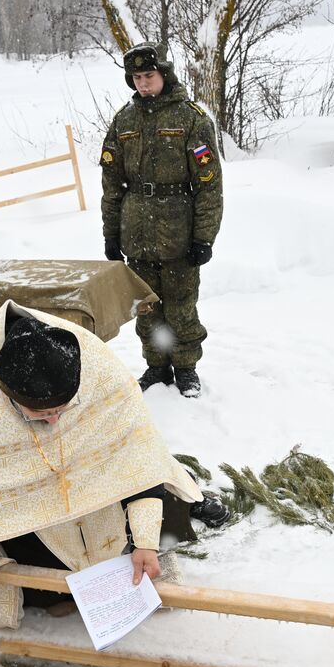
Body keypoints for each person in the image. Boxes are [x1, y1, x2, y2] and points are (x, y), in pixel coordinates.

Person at [0, 300, 204, 667]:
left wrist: (144, 541)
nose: (56, 420)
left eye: (63, 409)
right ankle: (60, 594)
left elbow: (136, 456)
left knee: (160, 523)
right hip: (26, 518)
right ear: (7, 394)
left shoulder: (97, 367)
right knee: (46, 595)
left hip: (99, 501)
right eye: (42, 414)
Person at [100, 42, 223, 399]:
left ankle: (185, 368)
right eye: (137, 77)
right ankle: (156, 365)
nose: (143, 83)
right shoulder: (124, 120)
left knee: (182, 307)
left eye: (149, 76)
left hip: (178, 232)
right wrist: (111, 234)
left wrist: (204, 237)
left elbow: (209, 185)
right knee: (147, 309)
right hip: (136, 231)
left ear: (164, 75)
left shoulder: (191, 118)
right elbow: (111, 184)